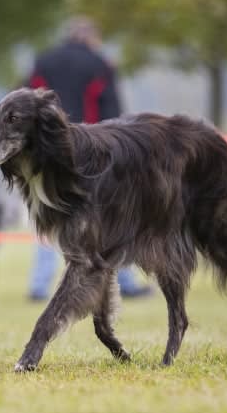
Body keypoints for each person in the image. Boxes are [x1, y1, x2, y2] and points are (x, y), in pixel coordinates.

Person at [26, 17, 152, 301]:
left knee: (47, 213)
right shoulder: (100, 64)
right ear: (91, 38)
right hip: (92, 152)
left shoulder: (44, 61)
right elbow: (113, 111)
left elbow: (27, 102)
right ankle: (125, 282)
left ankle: (38, 285)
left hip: (48, 152)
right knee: (111, 214)